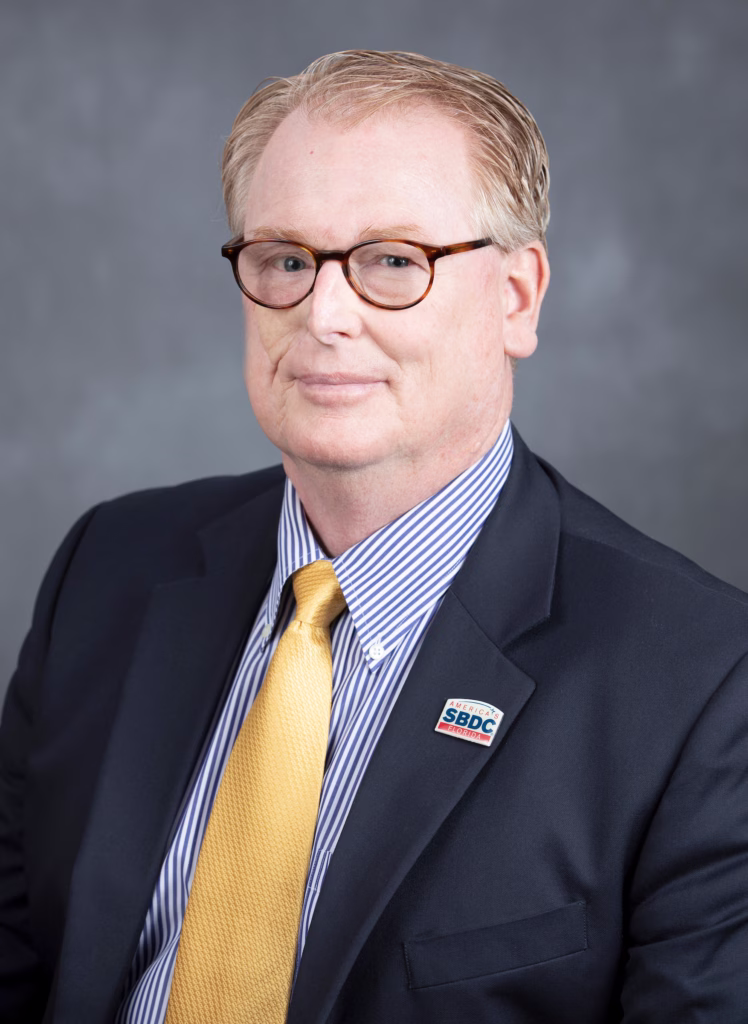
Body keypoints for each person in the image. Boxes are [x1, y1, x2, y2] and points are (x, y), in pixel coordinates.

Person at [1, 49, 747, 1024]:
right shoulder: (111, 565)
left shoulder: (699, 678)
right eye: (284, 260)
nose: (324, 314)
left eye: (393, 261)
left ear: (517, 297)